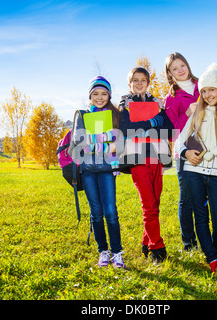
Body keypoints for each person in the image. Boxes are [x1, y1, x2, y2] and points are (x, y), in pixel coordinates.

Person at [175, 63, 217, 275]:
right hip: (193, 172)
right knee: (201, 217)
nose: (207, 94)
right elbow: (178, 143)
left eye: (211, 89)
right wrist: (186, 153)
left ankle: (215, 251)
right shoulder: (197, 114)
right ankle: (213, 259)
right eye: (203, 91)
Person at [118, 67, 174, 263]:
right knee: (148, 205)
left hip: (157, 157)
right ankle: (157, 247)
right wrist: (151, 123)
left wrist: (143, 126)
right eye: (135, 80)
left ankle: (145, 242)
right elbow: (125, 130)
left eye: (143, 80)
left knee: (155, 204)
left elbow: (169, 129)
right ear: (130, 83)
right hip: (136, 159)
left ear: (148, 83)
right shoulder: (124, 105)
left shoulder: (158, 103)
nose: (139, 83)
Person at [69, 76, 125, 269]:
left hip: (107, 169)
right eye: (95, 94)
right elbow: (79, 139)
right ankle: (103, 250)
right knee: (96, 212)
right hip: (88, 170)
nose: (100, 98)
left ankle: (117, 252)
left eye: (104, 94)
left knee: (111, 211)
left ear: (109, 96)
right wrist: (107, 138)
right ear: (90, 96)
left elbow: (120, 141)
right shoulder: (82, 115)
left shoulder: (115, 115)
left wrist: (96, 140)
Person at [164, 52, 200, 251]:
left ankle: (207, 239)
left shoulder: (202, 85)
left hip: (208, 149)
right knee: (187, 199)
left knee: (205, 199)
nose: (180, 70)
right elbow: (171, 133)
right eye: (175, 68)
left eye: (182, 65)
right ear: (170, 74)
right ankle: (189, 243)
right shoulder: (171, 98)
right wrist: (187, 113)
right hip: (183, 152)